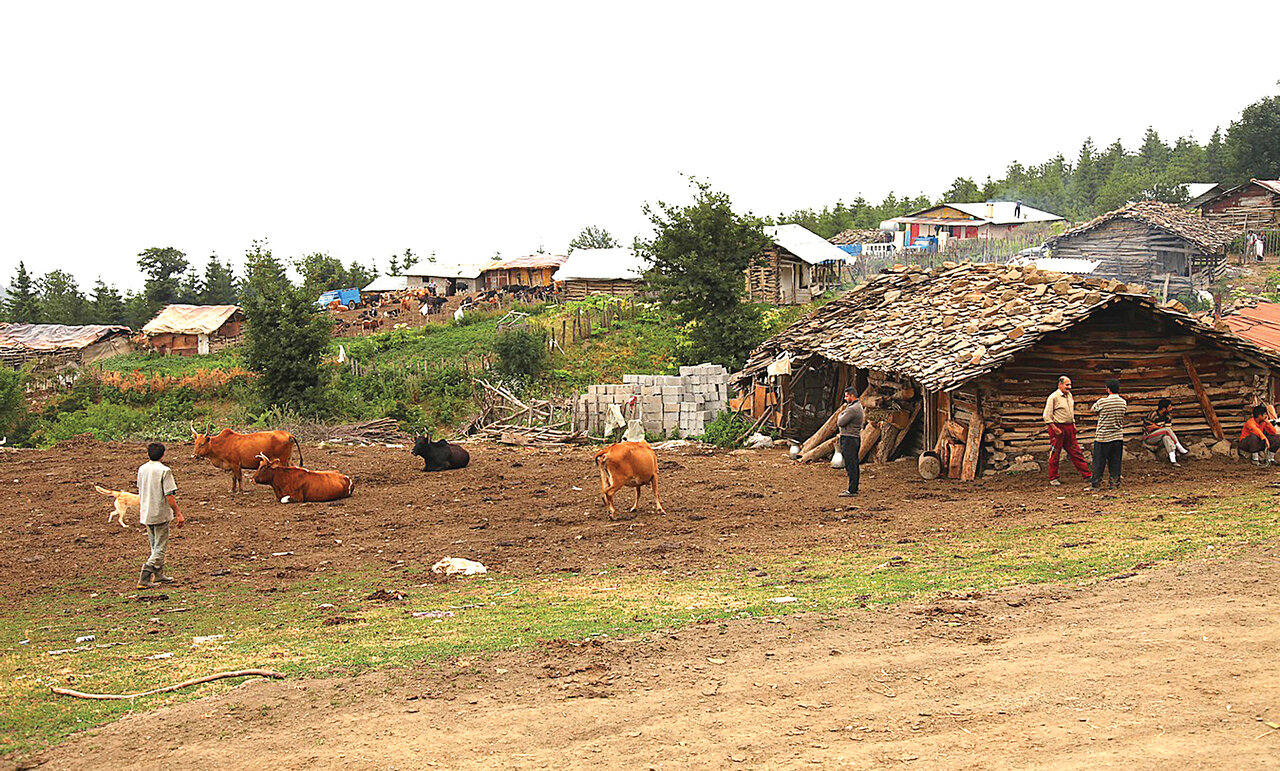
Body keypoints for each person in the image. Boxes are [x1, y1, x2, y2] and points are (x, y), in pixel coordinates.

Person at [136, 442, 184, 589]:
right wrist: (178, 513)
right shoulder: (165, 471)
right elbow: (169, 496)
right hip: (160, 513)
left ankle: (159, 574)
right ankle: (145, 574)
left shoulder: (142, 469)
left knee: (154, 545)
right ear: (163, 455)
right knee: (160, 547)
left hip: (146, 512)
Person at [1043, 375, 1091, 486]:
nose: (1069, 387)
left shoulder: (1069, 396)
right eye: (1067, 384)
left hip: (1069, 427)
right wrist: (1054, 428)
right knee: (1055, 453)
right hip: (1057, 427)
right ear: (1060, 385)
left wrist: (1073, 423)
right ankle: (1053, 477)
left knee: (1076, 451)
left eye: (1070, 384)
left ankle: (1087, 475)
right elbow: (1047, 415)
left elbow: (1070, 411)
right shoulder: (1053, 397)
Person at [1090, 378, 1127, 489]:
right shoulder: (1123, 402)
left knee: (1099, 462)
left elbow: (1093, 409)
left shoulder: (1103, 402)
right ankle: (1115, 482)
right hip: (1117, 436)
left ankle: (1096, 483)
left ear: (1108, 389)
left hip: (1103, 437)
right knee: (1115, 461)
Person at [1142, 397, 1189, 465]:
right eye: (1169, 407)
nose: (1171, 409)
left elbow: (1167, 429)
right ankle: (1179, 447)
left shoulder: (1168, 417)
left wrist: (1156, 427)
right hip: (1149, 437)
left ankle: (1173, 460)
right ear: (1164, 409)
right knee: (1166, 431)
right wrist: (1161, 428)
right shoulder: (1153, 415)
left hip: (1160, 437)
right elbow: (1148, 428)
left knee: (1166, 437)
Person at [836, 387, 864, 498]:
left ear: (852, 396)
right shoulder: (855, 406)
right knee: (853, 463)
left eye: (847, 396)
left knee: (851, 464)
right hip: (852, 437)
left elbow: (840, 422)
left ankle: (852, 489)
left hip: (849, 438)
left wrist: (840, 415)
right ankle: (853, 487)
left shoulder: (853, 409)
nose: (845, 398)